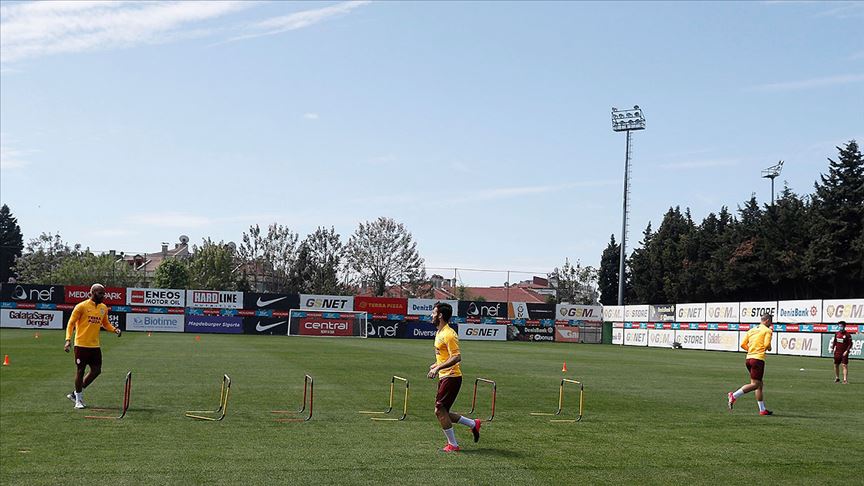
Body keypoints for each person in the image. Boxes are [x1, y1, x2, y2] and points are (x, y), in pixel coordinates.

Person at [427, 302, 481, 452]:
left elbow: (456, 357)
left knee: (439, 410)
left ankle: (453, 445)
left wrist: (438, 368)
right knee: (442, 411)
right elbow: (446, 356)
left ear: (440, 315)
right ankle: (473, 424)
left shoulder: (449, 334)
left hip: (452, 377)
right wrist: (436, 364)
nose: (431, 315)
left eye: (433, 313)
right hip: (445, 376)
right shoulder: (440, 332)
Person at [64, 283, 121, 409]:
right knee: (80, 371)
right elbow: (71, 323)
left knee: (96, 371)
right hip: (81, 345)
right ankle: (78, 400)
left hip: (95, 345)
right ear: (93, 293)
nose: (103, 296)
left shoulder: (103, 308)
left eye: (104, 293)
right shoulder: (81, 306)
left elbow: (105, 323)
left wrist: (114, 329)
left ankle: (74, 394)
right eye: (100, 293)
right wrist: (68, 340)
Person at [727, 313, 774, 416]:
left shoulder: (751, 330)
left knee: (759, 384)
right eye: (770, 322)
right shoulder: (767, 331)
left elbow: (743, 344)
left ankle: (762, 409)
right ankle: (734, 395)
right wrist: (769, 348)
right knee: (755, 385)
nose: (771, 324)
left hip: (749, 359)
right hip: (758, 359)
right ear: (767, 321)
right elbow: (766, 344)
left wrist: (751, 350)